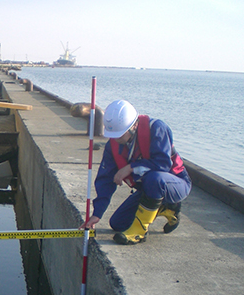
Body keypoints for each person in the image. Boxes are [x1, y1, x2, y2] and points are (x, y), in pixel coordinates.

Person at [82, 99, 192, 245]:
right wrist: (97, 213)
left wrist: (130, 167)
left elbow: (163, 165)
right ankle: (165, 209)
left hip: (175, 183)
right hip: (147, 190)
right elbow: (105, 178)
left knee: (154, 178)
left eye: (120, 135)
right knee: (118, 224)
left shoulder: (157, 128)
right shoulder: (113, 145)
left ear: (133, 125)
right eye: (113, 135)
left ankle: (139, 231)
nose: (116, 139)